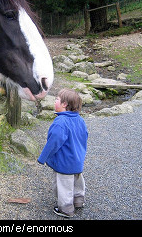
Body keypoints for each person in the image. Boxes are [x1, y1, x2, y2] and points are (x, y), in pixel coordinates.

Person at [38, 88, 88, 218]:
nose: (55, 101)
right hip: (77, 159)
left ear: (64, 104)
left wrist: (43, 157)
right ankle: (78, 201)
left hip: (64, 162)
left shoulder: (60, 123)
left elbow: (53, 142)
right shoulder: (80, 120)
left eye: (57, 99)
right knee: (77, 181)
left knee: (64, 185)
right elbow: (84, 136)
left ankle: (66, 209)